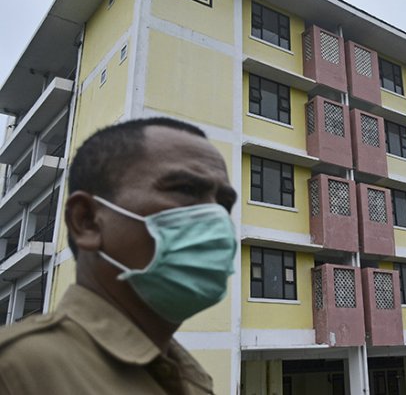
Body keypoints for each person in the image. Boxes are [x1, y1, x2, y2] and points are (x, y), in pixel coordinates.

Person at [0, 117, 239, 394]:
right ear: (87, 221)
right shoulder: (15, 371)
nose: (217, 218)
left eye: (224, 203)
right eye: (186, 189)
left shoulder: (193, 380)